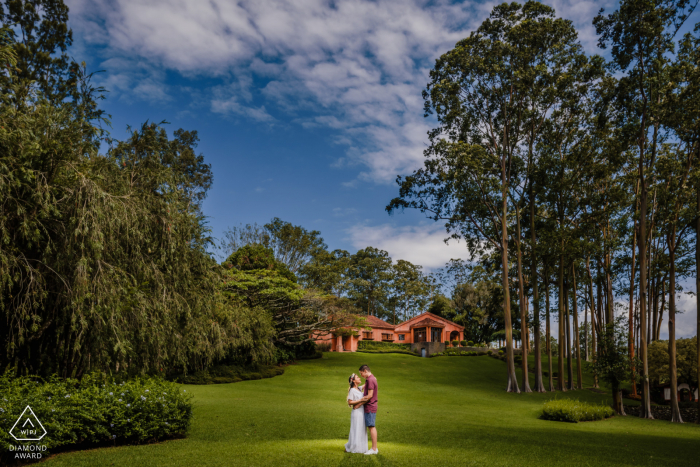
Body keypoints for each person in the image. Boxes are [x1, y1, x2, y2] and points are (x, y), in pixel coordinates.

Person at [345, 373, 368, 453]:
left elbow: (366, 384)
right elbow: (350, 402)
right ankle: (352, 446)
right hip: (356, 412)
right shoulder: (352, 390)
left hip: (362, 411)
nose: (359, 378)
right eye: (357, 377)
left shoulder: (358, 388)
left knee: (361, 428)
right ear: (354, 381)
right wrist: (360, 400)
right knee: (356, 429)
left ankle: (360, 446)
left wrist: (370, 378)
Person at [358, 364, 378, 455]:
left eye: (361, 373)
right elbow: (365, 386)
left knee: (371, 426)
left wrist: (359, 403)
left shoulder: (370, 380)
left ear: (365, 371)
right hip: (370, 406)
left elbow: (370, 396)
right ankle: (374, 448)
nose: (361, 376)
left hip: (370, 406)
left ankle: (374, 449)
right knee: (370, 426)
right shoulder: (371, 378)